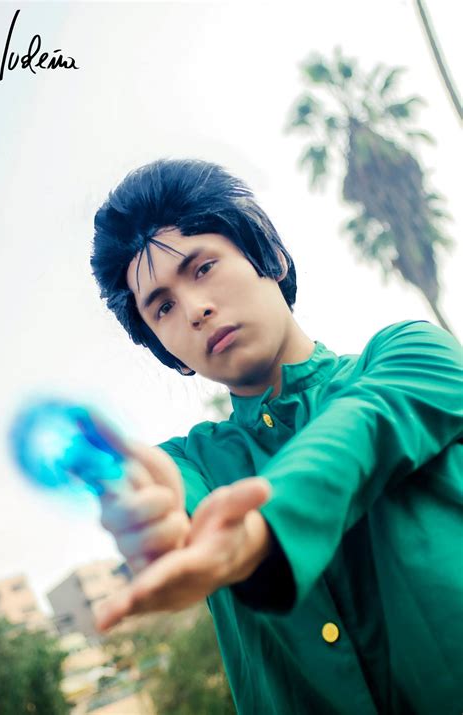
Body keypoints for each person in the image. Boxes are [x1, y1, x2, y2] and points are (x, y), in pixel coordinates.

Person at [90, 158, 462, 714]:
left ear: (270, 256)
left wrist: (261, 530)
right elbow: (175, 498)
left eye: (203, 268)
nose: (194, 309)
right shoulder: (190, 464)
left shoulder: (412, 352)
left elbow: (364, 424)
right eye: (161, 307)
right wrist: (157, 516)